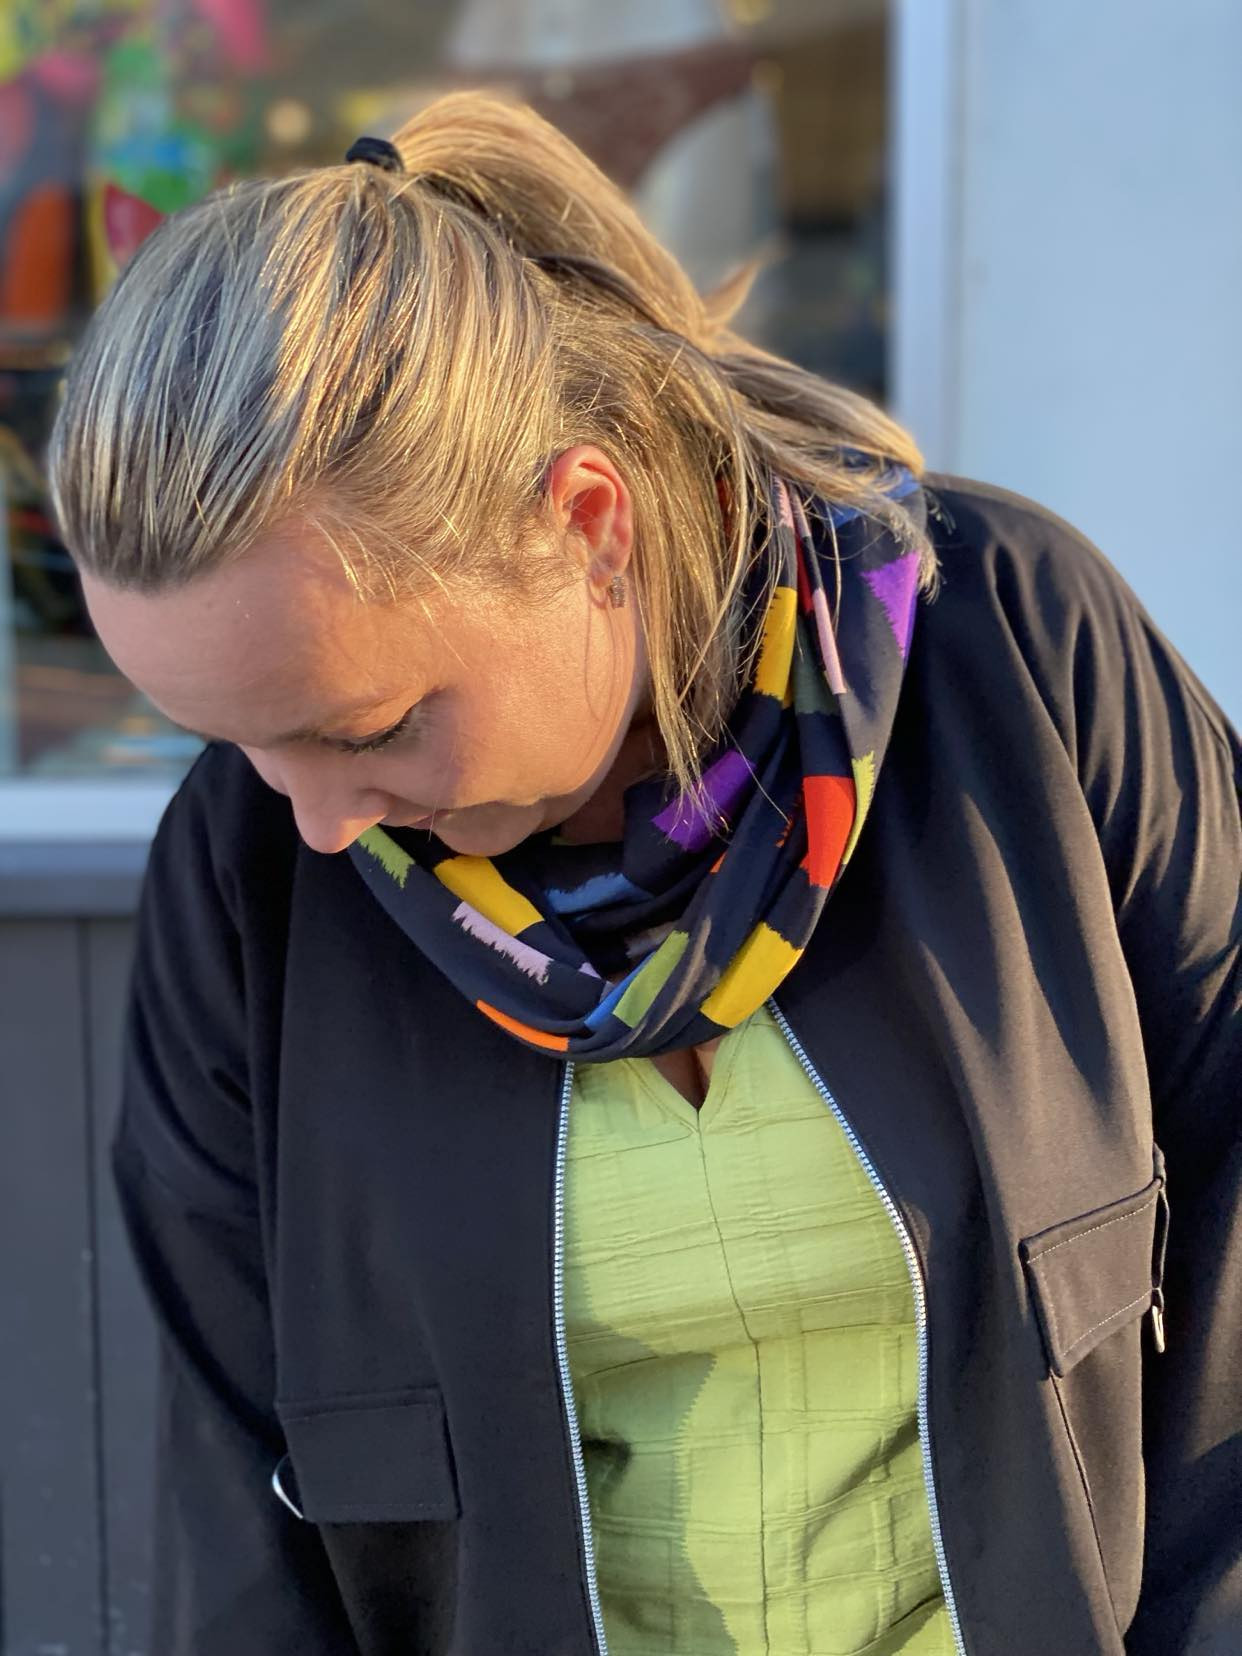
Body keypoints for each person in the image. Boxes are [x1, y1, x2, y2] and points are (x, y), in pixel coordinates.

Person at [47, 93, 1239, 1656]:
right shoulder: (250, 871)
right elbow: (236, 1519)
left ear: (587, 526)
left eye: (371, 727)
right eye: (239, 744)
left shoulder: (1017, 662)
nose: (320, 822)